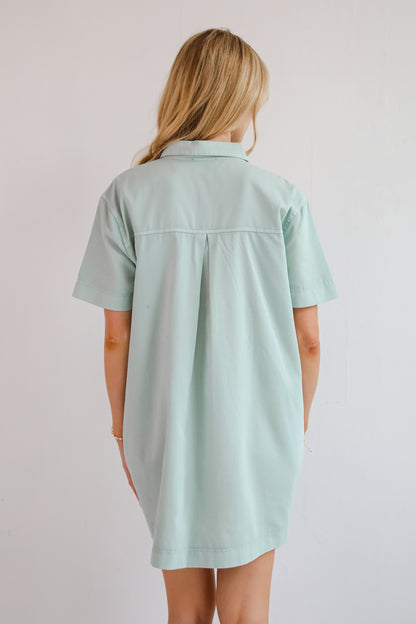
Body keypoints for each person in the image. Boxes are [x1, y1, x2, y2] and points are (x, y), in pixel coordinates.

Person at [72, 27, 338, 624]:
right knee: (248, 613)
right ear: (241, 100)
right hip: (263, 429)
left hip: (163, 431)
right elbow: (310, 341)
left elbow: (116, 336)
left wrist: (122, 430)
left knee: (186, 611)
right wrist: (292, 425)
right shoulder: (280, 197)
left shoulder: (127, 195)